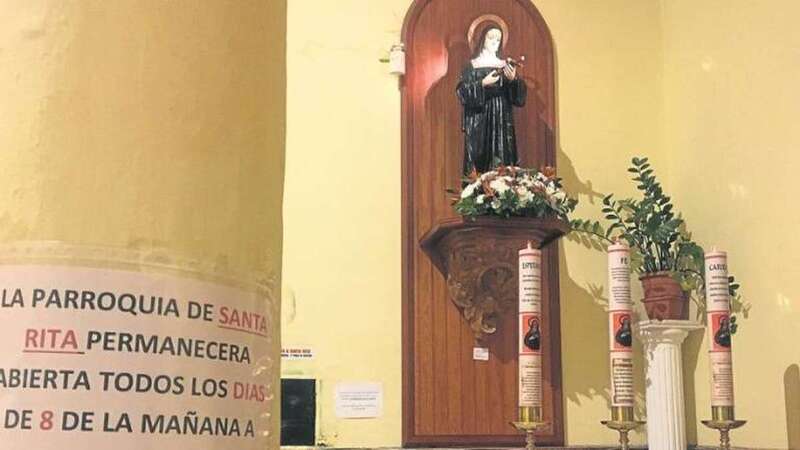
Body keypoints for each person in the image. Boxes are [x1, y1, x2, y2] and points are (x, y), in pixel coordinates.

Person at [456, 24, 527, 176]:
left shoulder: (504, 65)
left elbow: (519, 98)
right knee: (478, 159)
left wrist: (513, 79)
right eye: (491, 37)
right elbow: (462, 92)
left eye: (498, 39)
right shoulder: (471, 66)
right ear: (482, 39)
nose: (495, 41)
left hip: (501, 118)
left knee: (502, 157)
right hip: (478, 119)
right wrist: (482, 83)